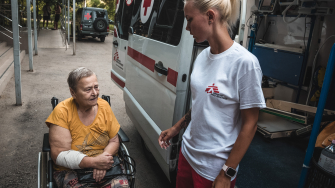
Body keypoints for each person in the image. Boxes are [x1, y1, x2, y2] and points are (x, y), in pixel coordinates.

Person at [158, 0, 266, 188]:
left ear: (210, 16)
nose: (187, 27)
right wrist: (177, 128)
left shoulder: (245, 63)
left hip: (214, 168)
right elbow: (201, 102)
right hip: (188, 153)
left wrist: (227, 173)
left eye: (189, 19)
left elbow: (251, 124)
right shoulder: (202, 57)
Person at [45, 67, 129, 188]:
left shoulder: (104, 106)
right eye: (88, 89)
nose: (95, 93)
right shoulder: (62, 112)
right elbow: (59, 154)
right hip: (71, 169)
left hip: (105, 161)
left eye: (96, 87)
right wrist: (94, 162)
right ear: (73, 92)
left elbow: (114, 140)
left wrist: (103, 160)